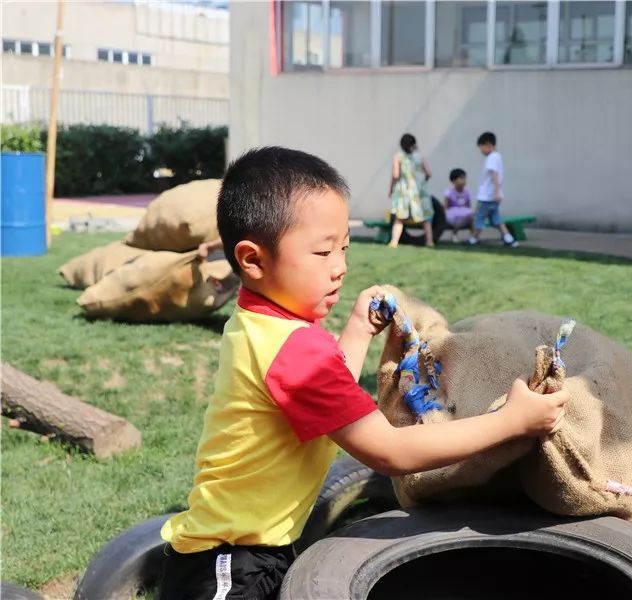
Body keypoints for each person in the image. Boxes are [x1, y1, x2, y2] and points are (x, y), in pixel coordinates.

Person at [159, 146, 569, 599]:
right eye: (322, 252)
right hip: (229, 562)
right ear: (253, 260)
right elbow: (391, 451)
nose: (341, 267)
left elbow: (326, 397)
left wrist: (357, 331)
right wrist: (510, 422)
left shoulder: (264, 324)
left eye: (344, 248)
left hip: (252, 548)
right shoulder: (294, 348)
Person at [470, 132, 517, 247]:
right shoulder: (497, 156)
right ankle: (508, 238)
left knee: (479, 218)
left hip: (486, 196)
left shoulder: (491, 158)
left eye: (481, 148)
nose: (481, 151)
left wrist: (496, 191)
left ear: (488, 145)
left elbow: (494, 174)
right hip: (493, 197)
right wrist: (498, 192)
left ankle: (474, 239)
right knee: (496, 218)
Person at [389, 133, 434, 248]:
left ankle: (394, 242)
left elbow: (395, 175)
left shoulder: (398, 156)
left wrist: (391, 189)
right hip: (419, 191)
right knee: (425, 218)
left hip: (404, 191)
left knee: (400, 217)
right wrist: (422, 182)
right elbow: (428, 173)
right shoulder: (420, 156)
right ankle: (429, 241)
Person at [443, 168, 474, 243]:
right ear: (454, 181)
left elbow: (468, 206)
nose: (464, 181)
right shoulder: (449, 192)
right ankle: (454, 234)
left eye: (464, 179)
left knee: (472, 216)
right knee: (459, 218)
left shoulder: (467, 192)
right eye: (461, 179)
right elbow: (445, 206)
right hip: (453, 214)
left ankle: (473, 236)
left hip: (464, 212)